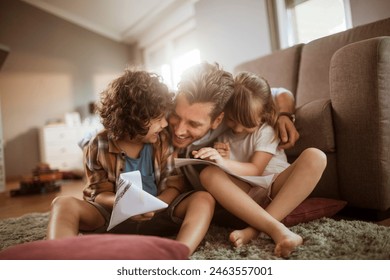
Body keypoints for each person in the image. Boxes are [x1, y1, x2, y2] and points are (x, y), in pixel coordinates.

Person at [46, 69, 215, 256]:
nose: (166, 124)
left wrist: (154, 205)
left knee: (203, 199)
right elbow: (98, 193)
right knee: (63, 203)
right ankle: (60, 259)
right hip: (111, 217)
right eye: (159, 119)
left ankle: (177, 254)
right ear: (136, 119)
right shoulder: (98, 144)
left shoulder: (162, 140)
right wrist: (124, 205)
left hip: (158, 215)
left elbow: (173, 185)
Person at [192, 72, 327, 257]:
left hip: (276, 185)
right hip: (248, 193)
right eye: (232, 120)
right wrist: (220, 160)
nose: (238, 128)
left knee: (316, 156)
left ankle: (256, 230)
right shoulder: (225, 136)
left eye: (246, 123)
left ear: (263, 114)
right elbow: (235, 175)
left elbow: (256, 169)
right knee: (208, 174)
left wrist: (224, 161)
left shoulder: (266, 130)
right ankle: (269, 227)